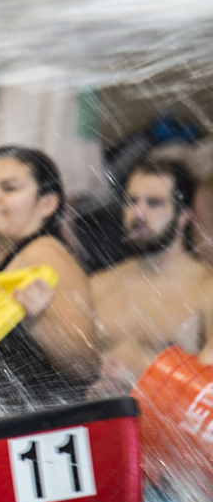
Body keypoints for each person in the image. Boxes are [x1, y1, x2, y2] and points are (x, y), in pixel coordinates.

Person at [0, 146, 99, 407]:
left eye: (9, 188)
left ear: (47, 203)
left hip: (46, 424)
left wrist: (37, 322)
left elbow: (86, 366)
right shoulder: (2, 258)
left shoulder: (44, 254)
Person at [90, 160, 213, 392]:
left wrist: (142, 380)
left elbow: (209, 387)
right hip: (101, 420)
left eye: (154, 203)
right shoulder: (97, 285)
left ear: (183, 215)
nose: (138, 213)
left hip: (167, 424)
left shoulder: (207, 290)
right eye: (131, 201)